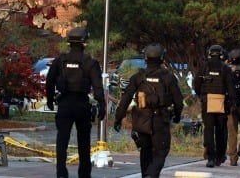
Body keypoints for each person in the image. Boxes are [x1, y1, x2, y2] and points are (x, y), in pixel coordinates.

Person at [113, 43, 183, 178]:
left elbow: (125, 99)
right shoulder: (168, 77)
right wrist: (177, 116)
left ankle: (146, 175)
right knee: (161, 151)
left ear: (145, 57)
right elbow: (178, 101)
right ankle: (151, 175)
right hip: (160, 120)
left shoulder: (138, 77)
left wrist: (118, 118)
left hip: (141, 120)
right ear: (162, 58)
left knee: (145, 150)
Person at [45, 27, 105, 178]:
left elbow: (49, 81)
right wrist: (102, 105)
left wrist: (50, 99)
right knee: (83, 142)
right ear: (85, 42)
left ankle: (61, 173)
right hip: (82, 105)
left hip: (64, 104)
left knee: (62, 141)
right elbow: (98, 87)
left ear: (69, 42)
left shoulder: (60, 61)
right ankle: (84, 174)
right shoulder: (90, 63)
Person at [193, 44, 236, 168]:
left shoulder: (204, 67)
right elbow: (230, 87)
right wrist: (232, 102)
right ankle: (220, 156)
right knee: (221, 130)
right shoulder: (225, 68)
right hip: (221, 102)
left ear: (209, 54)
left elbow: (196, 83)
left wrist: (201, 96)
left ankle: (210, 158)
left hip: (207, 102)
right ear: (221, 55)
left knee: (209, 129)